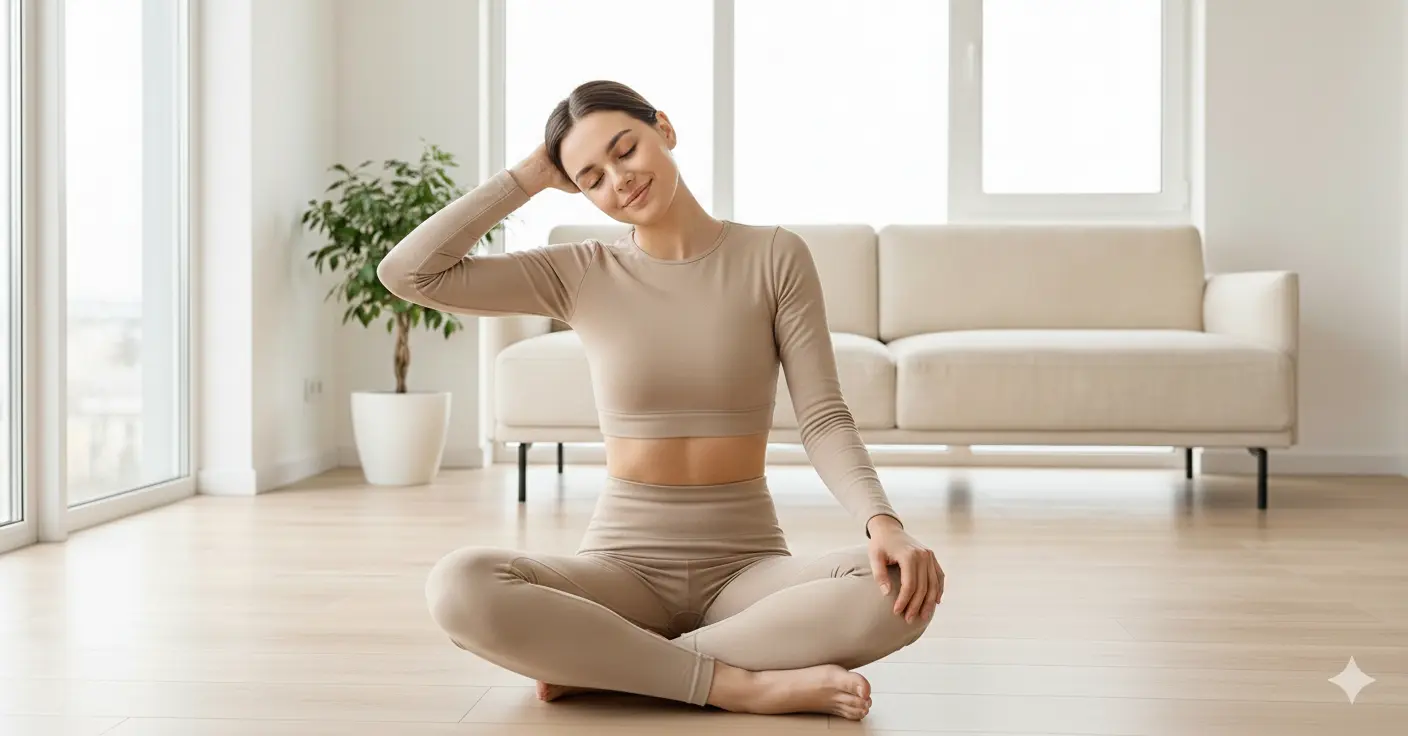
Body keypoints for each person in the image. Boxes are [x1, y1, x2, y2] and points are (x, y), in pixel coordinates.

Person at [377, 80, 944, 721]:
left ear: (664, 129)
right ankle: (734, 685)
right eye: (590, 177)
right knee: (459, 585)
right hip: (621, 569)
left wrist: (884, 523)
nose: (619, 179)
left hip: (748, 570)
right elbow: (409, 274)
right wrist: (533, 173)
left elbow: (823, 418)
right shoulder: (580, 271)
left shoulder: (775, 255)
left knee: (901, 588)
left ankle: (611, 667)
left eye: (626, 149)